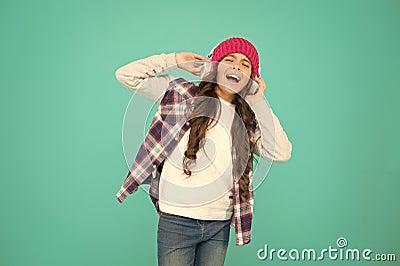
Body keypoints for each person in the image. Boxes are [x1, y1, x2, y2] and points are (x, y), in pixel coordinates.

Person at [115, 37, 292, 266]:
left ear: (251, 78)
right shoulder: (182, 94)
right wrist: (175, 60)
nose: (237, 66)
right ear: (214, 67)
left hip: (218, 223)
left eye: (245, 64)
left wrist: (258, 101)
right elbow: (126, 75)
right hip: (177, 219)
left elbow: (281, 152)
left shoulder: (248, 118)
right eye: (229, 60)